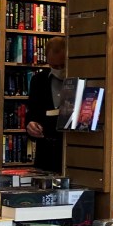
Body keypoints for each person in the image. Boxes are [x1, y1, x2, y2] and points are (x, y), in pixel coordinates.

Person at [25, 36, 66, 173]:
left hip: (73, 152)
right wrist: (30, 125)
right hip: (45, 155)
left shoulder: (83, 80)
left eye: (63, 65)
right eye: (54, 66)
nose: (59, 70)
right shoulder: (38, 80)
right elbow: (32, 113)